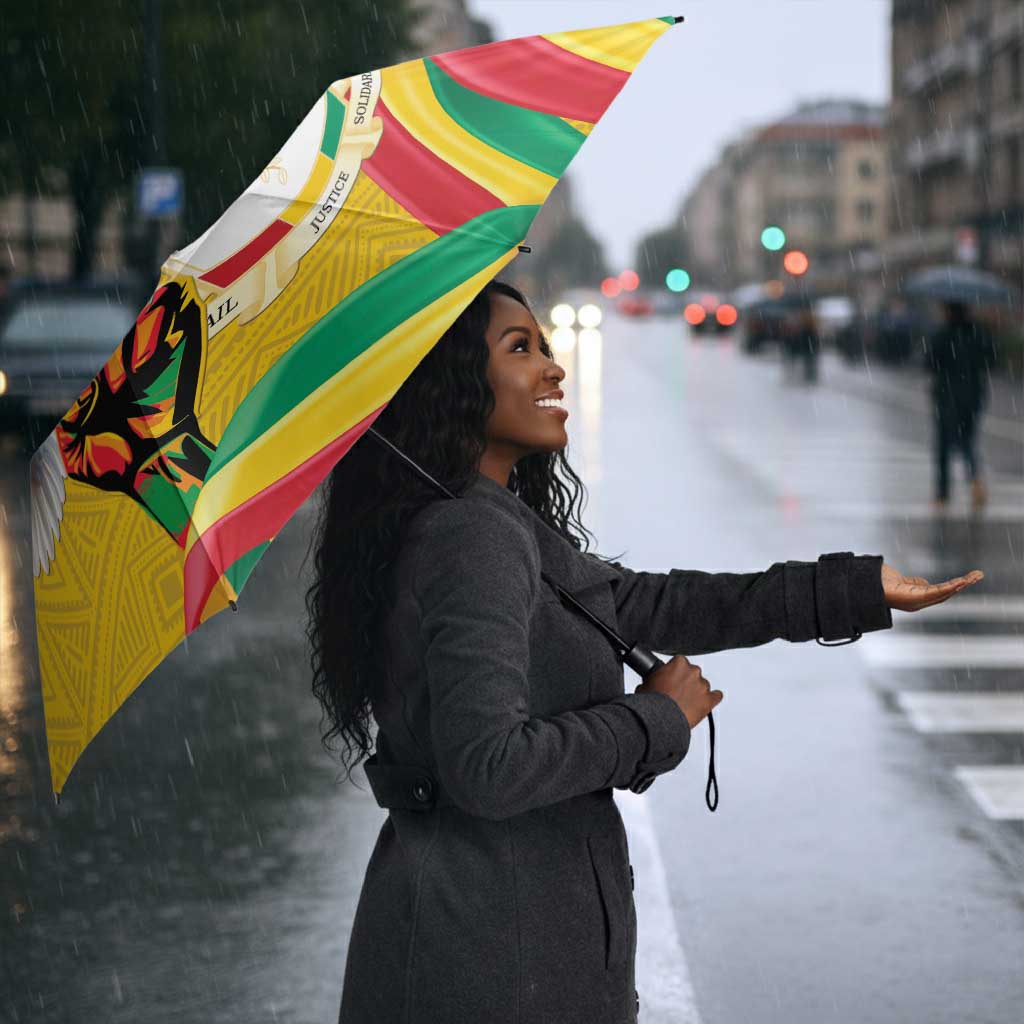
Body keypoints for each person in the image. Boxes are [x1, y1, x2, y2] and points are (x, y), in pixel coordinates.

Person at [307, 279, 984, 1024]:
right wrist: (656, 719)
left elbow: (657, 603)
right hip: (496, 955)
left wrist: (853, 590)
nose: (553, 366)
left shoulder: (487, 522)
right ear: (453, 380)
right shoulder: (475, 536)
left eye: (544, 345)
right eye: (520, 348)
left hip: (485, 937)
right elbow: (489, 767)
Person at [926, 300, 999, 514]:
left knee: (943, 445)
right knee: (967, 440)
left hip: (946, 395)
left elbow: (929, 363)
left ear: (948, 311)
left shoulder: (943, 334)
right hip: (973, 395)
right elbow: (992, 360)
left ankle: (942, 494)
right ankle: (975, 478)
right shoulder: (979, 333)